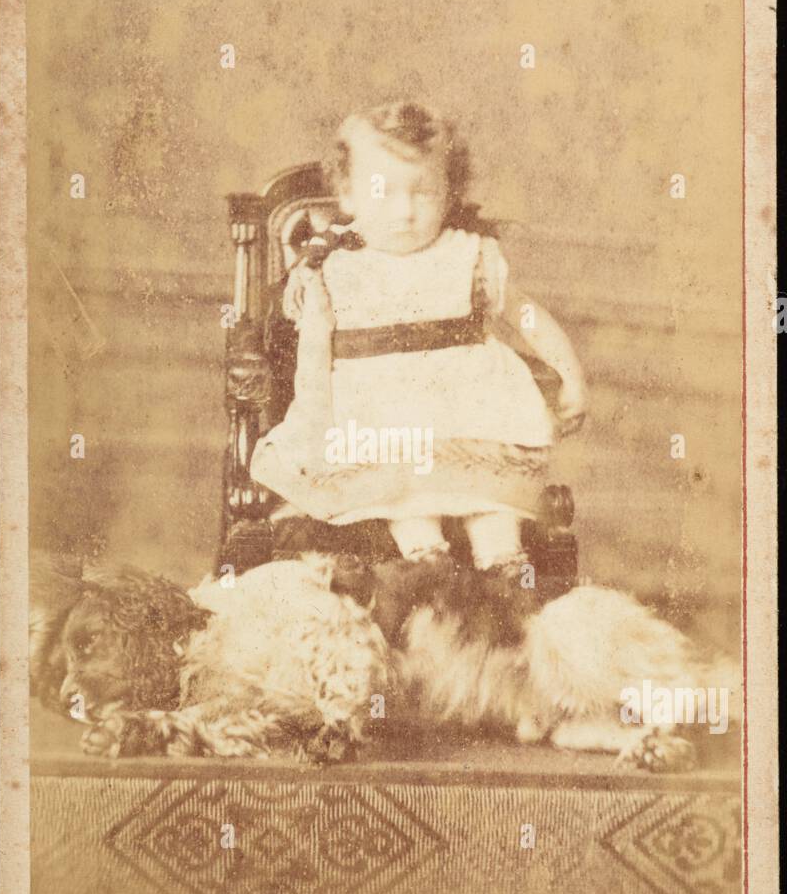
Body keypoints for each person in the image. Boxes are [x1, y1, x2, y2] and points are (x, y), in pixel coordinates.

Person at [250, 100, 586, 575]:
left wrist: (571, 376)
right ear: (347, 195)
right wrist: (312, 426)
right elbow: (313, 359)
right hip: (380, 415)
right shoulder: (333, 268)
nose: (405, 211)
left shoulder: (468, 254)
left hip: (470, 411)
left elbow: (526, 315)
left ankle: (503, 564)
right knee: (401, 486)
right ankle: (426, 560)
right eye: (383, 192)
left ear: (450, 193)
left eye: (424, 193)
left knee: (489, 498)